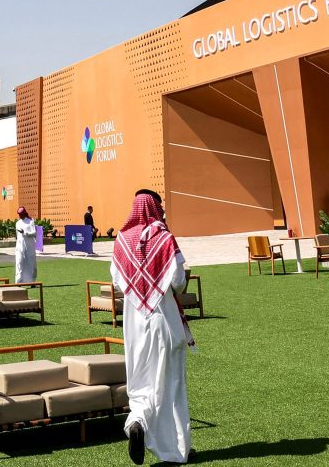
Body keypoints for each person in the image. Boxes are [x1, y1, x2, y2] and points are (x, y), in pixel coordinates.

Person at [112, 189, 192, 465]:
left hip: (134, 323)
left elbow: (117, 282)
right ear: (156, 208)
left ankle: (137, 422)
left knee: (141, 383)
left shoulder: (121, 240)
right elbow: (178, 282)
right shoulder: (165, 238)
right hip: (164, 319)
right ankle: (177, 450)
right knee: (171, 385)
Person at [13, 207, 38, 283]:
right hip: (20, 246)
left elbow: (34, 233)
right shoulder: (18, 223)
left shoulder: (30, 221)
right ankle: (18, 280)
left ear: (24, 213)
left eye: (21, 214)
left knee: (31, 263)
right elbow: (17, 236)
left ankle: (32, 281)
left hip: (29, 246)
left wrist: (25, 233)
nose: (20, 215)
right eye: (19, 214)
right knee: (19, 261)